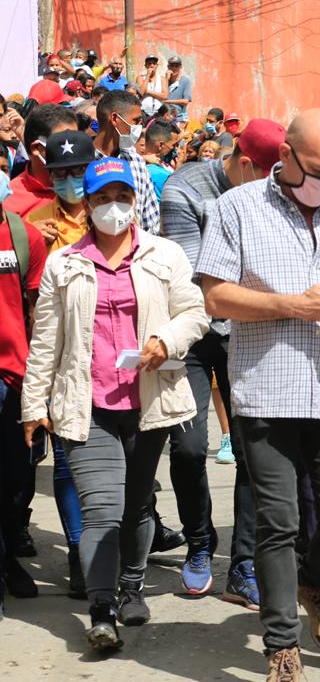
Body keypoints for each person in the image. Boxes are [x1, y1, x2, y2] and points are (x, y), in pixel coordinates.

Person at [196, 109, 320, 681]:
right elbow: (215, 297)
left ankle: (313, 584)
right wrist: (291, 305)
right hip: (266, 389)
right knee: (276, 524)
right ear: (285, 155)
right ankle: (282, 645)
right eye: (318, 172)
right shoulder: (236, 208)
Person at [21, 156, 210, 651]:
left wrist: (166, 340)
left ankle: (132, 586)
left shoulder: (165, 254)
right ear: (86, 205)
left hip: (149, 403)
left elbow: (194, 312)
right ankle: (102, 609)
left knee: (138, 504)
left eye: (122, 196)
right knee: (102, 510)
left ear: (135, 200)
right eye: (102, 198)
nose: (113, 207)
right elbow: (46, 339)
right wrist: (33, 403)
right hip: (87, 405)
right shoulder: (65, 263)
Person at [160, 118, 286, 609]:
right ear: (244, 161)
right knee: (189, 448)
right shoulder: (185, 189)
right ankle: (199, 541)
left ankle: (244, 562)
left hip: (249, 334)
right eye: (266, 173)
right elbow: (196, 277)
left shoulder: (276, 192)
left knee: (255, 451)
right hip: (192, 332)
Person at [0, 184, 48, 614]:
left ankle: (7, 554)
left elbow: (39, 310)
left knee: (16, 478)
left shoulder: (23, 236)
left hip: (13, 375)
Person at [94, 91, 160, 233]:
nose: (140, 128)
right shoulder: (83, 165)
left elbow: (151, 223)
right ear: (114, 119)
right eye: (136, 121)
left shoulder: (136, 162)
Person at [26, 130, 96, 254]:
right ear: (50, 175)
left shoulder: (107, 210)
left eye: (79, 169)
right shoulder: (36, 220)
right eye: (60, 172)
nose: (70, 178)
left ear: (93, 169)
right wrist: (30, 239)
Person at [3, 104, 78, 216]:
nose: (73, 149)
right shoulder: (8, 201)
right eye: (64, 144)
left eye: (76, 141)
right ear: (37, 148)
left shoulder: (91, 187)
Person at [143, 121, 181, 198]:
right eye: (173, 145)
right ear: (161, 145)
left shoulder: (132, 163)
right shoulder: (161, 174)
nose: (176, 149)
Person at [165, 57, 193, 123]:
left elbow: (185, 101)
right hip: (165, 116)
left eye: (176, 66)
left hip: (178, 118)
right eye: (172, 65)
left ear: (180, 67)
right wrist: (166, 79)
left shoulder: (185, 81)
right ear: (168, 67)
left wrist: (167, 101)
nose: (174, 68)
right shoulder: (164, 80)